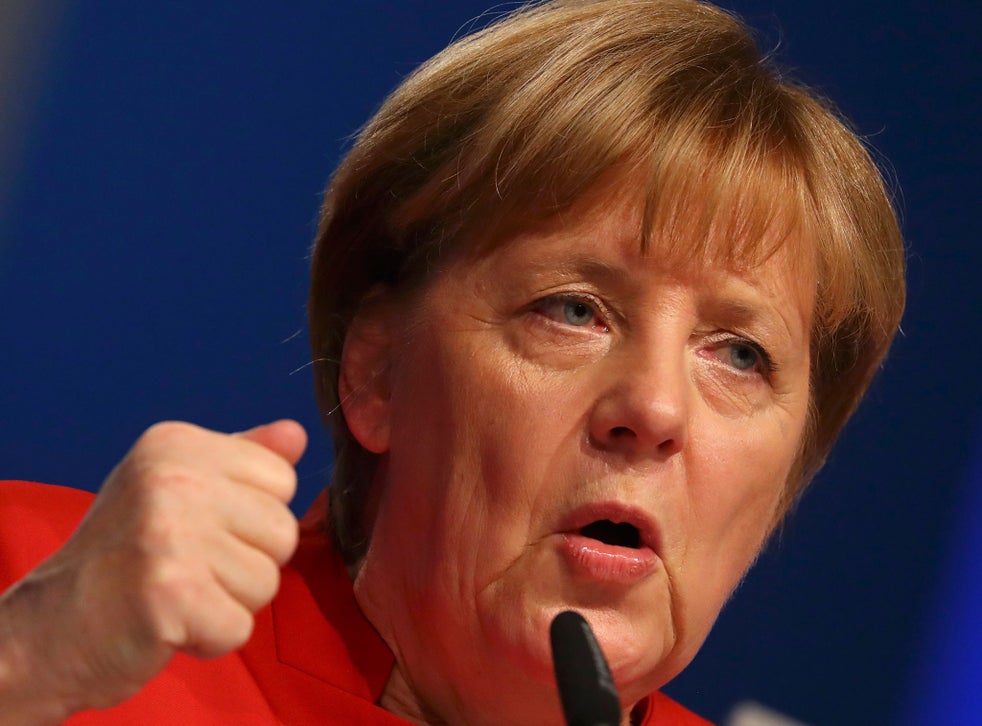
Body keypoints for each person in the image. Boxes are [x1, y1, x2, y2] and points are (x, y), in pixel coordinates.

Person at [0, 0, 905, 723]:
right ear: (376, 372)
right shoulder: (53, 598)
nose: (656, 408)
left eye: (741, 355)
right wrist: (32, 663)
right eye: (573, 310)